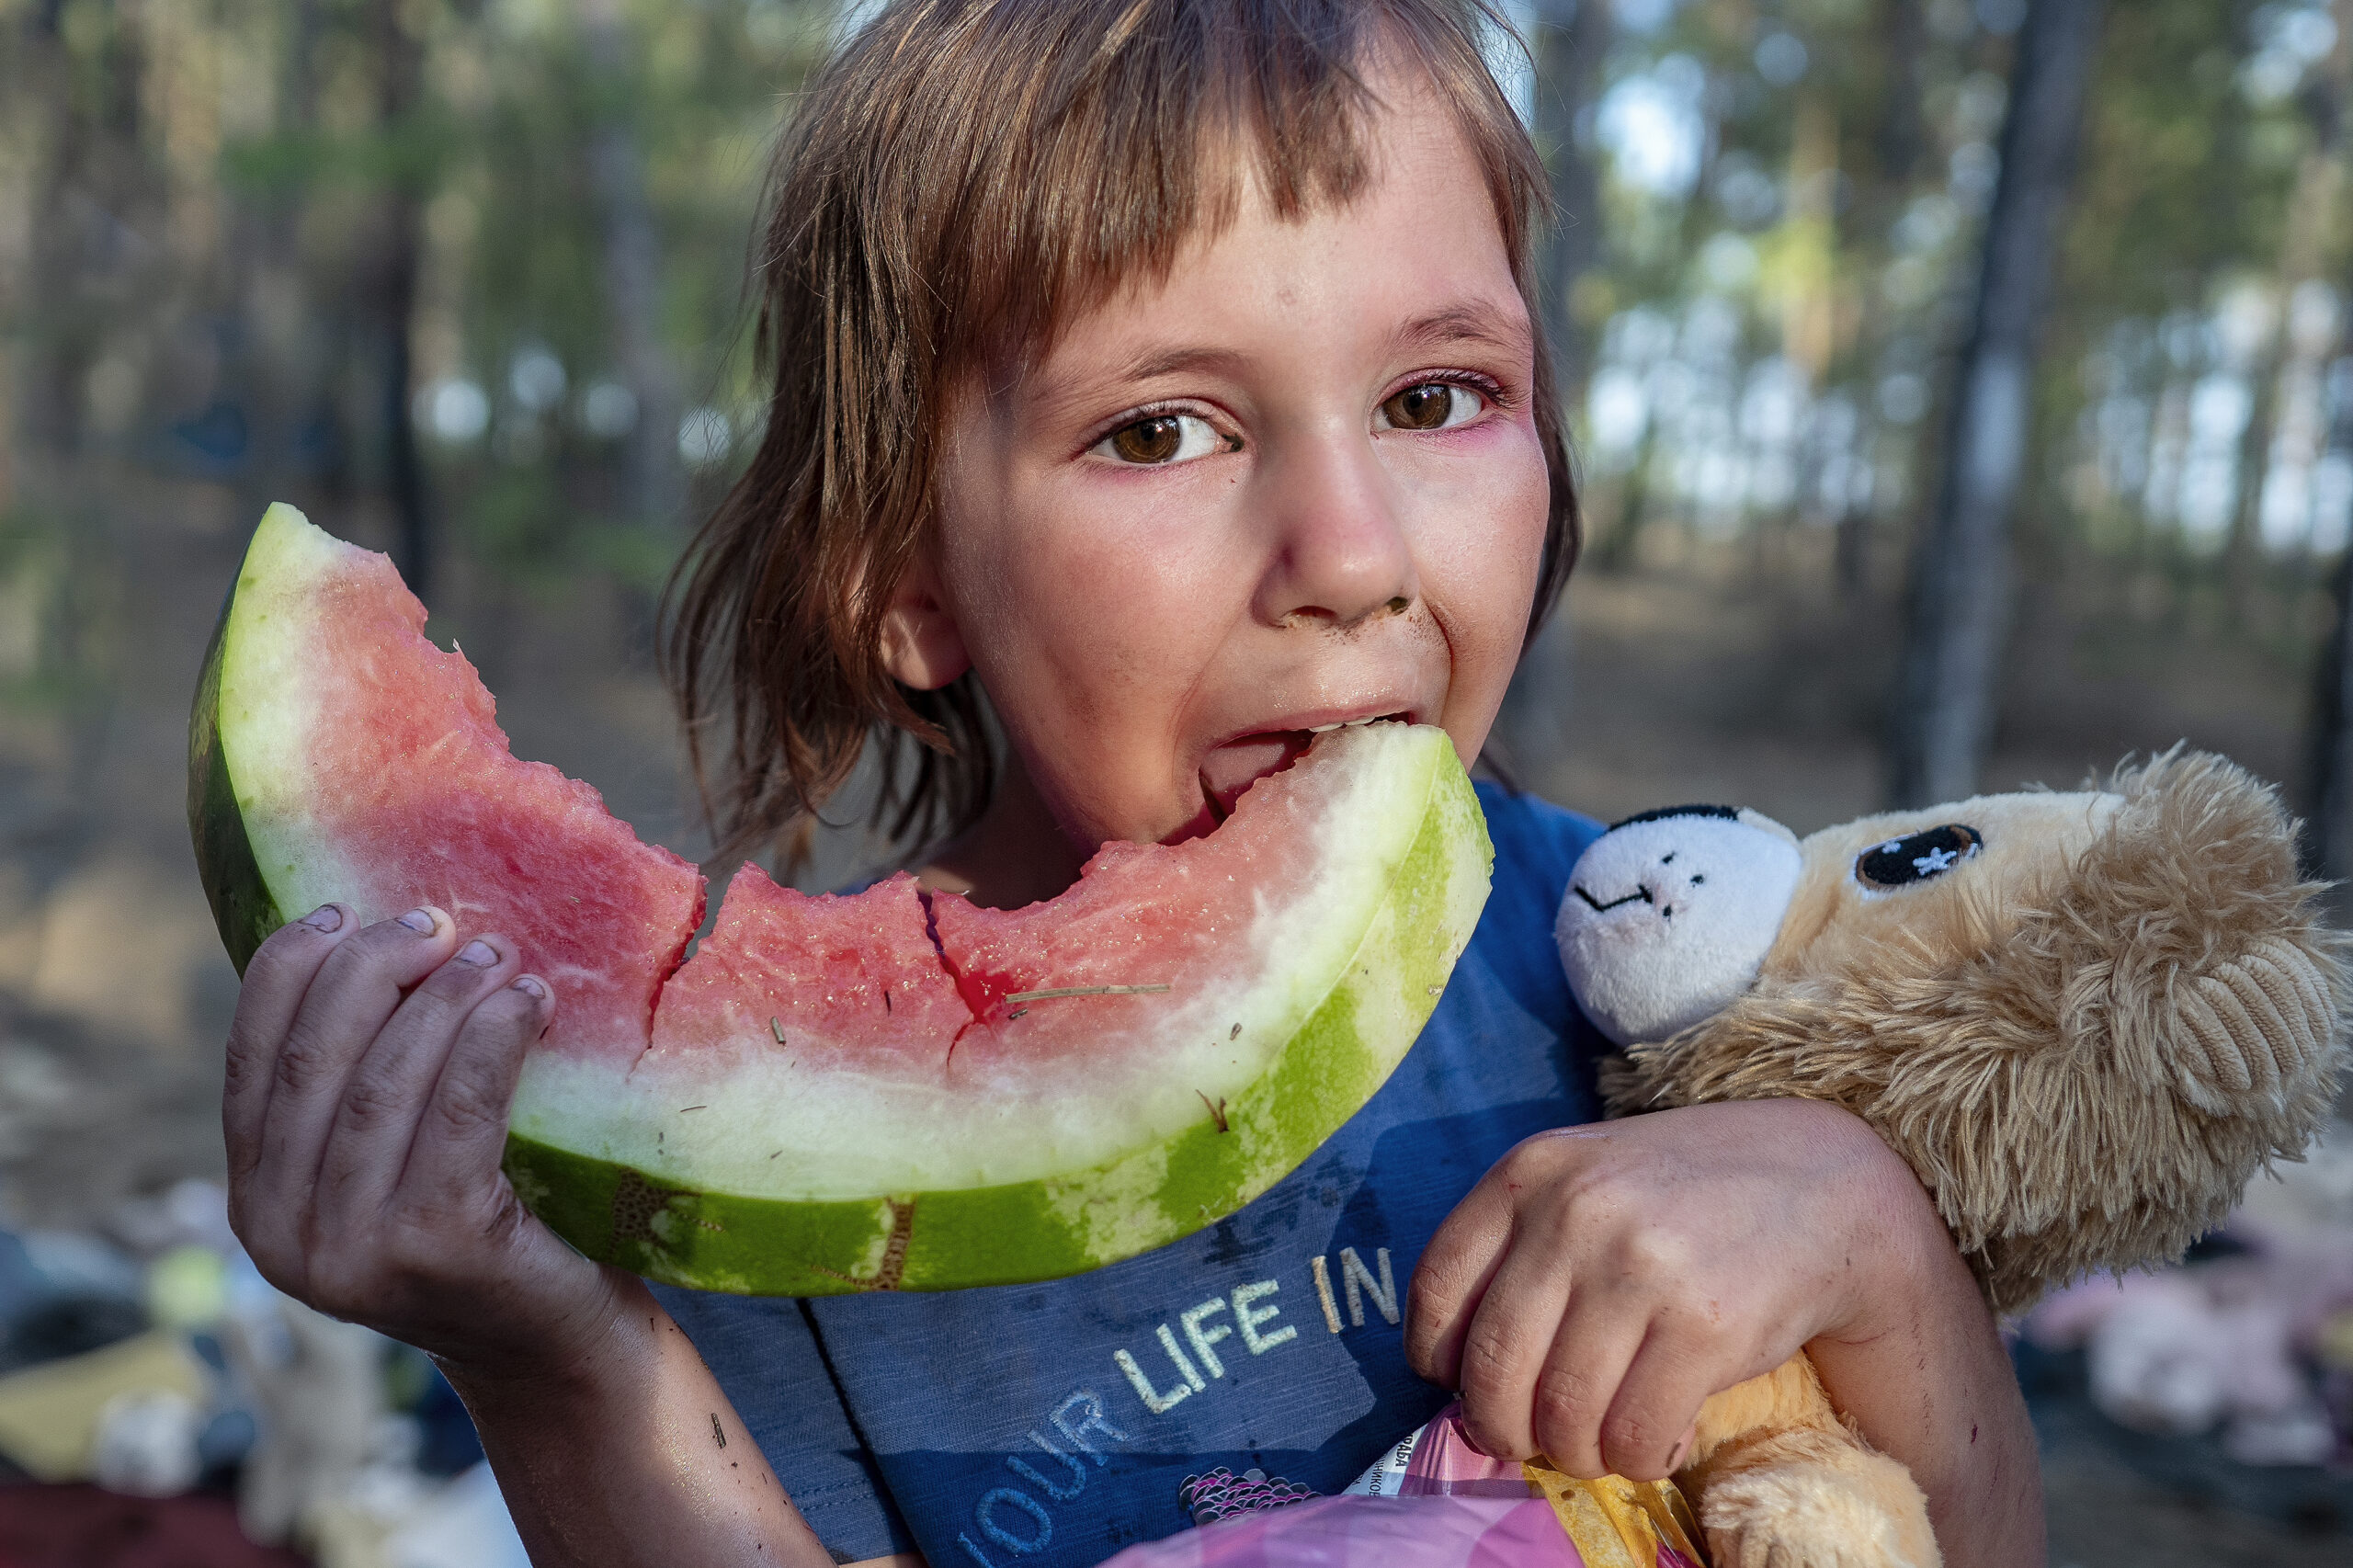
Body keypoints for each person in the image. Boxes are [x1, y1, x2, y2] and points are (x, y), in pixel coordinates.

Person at [219, 3, 2045, 1565]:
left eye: (1436, 398)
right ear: (901, 577)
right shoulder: (772, 1188)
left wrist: (1864, 1224)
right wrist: (554, 1360)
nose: (1347, 552)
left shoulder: (1677, 972)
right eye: (1158, 428)